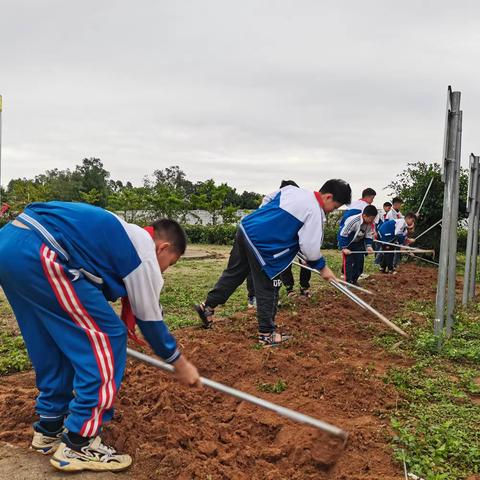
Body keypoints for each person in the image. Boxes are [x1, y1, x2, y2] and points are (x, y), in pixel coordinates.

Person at [0, 201, 200, 473]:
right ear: (162, 248)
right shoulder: (143, 251)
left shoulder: (121, 237)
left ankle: (49, 428)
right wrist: (179, 362)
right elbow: (150, 320)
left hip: (9, 244)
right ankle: (79, 444)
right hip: (42, 249)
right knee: (108, 337)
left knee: (53, 340)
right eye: (171, 263)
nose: (165, 269)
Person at [194, 179, 352, 347]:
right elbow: (310, 247)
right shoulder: (315, 210)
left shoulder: (293, 191)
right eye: (335, 207)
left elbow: (267, 200)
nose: (332, 210)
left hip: (246, 229)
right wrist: (322, 267)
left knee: (234, 274)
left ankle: (208, 307)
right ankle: (267, 334)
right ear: (328, 197)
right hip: (264, 245)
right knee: (269, 285)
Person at [338, 205, 378, 285]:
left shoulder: (370, 222)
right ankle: (348, 282)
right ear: (364, 215)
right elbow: (343, 234)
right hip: (348, 242)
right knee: (349, 263)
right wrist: (344, 248)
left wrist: (369, 246)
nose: (372, 221)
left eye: (373, 219)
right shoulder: (354, 221)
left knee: (359, 261)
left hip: (359, 242)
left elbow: (368, 234)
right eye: (370, 218)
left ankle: (354, 280)